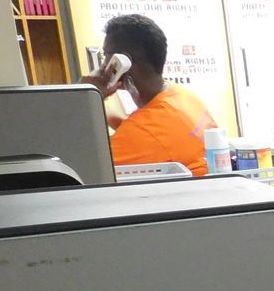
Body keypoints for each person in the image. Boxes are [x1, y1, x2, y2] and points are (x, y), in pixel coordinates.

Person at [82, 14, 216, 176]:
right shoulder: (182, 96)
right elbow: (144, 126)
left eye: (106, 56)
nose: (104, 65)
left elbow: (82, 169)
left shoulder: (145, 131)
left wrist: (83, 98)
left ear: (122, 61)